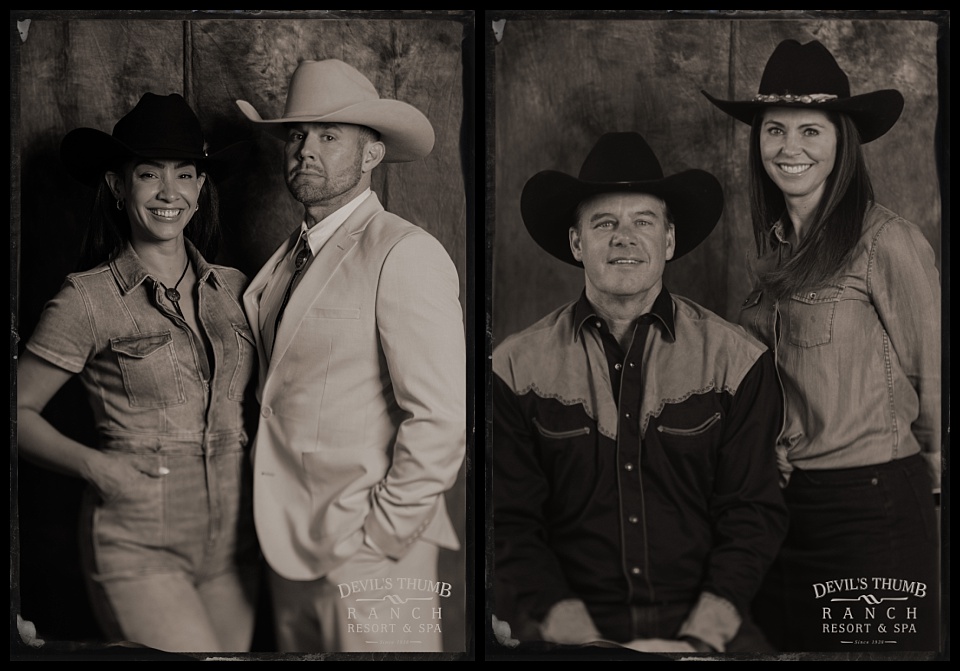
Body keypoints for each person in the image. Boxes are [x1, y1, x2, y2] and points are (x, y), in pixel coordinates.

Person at [492, 131, 789, 654]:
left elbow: (752, 513)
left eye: (642, 223)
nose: (624, 238)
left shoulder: (737, 361)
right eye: (605, 223)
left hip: (705, 623)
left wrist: (699, 640)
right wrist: (581, 640)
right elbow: (509, 522)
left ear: (668, 242)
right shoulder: (513, 368)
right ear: (576, 243)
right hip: (565, 625)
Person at [702, 38, 942, 652]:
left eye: (811, 130)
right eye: (774, 130)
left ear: (842, 141)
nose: (790, 148)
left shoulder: (887, 241)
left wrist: (932, 484)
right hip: (783, 512)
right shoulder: (774, 257)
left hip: (873, 509)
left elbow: (936, 374)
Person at [235, 58, 465, 653]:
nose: (306, 150)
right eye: (297, 135)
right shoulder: (288, 258)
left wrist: (381, 540)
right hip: (286, 548)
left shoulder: (405, 252)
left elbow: (440, 420)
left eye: (329, 136)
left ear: (371, 155)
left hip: (372, 556)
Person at [16, 93, 260, 653]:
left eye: (184, 175)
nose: (168, 192)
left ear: (201, 189)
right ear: (117, 186)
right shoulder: (88, 298)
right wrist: (100, 469)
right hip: (139, 543)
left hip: (235, 546)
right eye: (148, 174)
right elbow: (18, 412)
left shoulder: (240, 290)